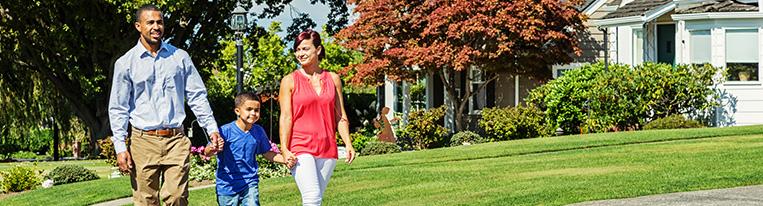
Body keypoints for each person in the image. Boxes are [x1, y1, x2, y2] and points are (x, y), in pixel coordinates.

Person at [108, 4, 223, 206]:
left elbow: (197, 96)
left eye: (159, 22)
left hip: (176, 139)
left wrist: (211, 129)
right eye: (150, 22)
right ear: (138, 26)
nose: (156, 27)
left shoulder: (180, 58)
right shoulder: (125, 63)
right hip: (143, 141)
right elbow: (119, 108)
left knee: (177, 198)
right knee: (146, 201)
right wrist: (119, 146)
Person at [278, 29, 356, 206]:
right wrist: (284, 148)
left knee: (316, 198)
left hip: (327, 146)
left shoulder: (333, 79)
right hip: (300, 145)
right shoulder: (289, 81)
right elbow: (286, 117)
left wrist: (348, 143)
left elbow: (340, 116)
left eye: (305, 49)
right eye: (297, 50)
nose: (300, 54)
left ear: (318, 50)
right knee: (312, 197)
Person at [202, 91, 293, 206]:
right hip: (227, 186)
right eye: (249, 109)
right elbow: (207, 152)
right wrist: (213, 148)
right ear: (237, 111)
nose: (253, 113)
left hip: (250, 183)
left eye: (257, 110)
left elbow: (267, 153)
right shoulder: (224, 131)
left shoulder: (258, 131)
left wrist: (285, 159)